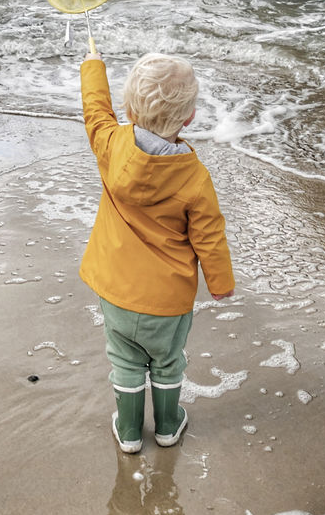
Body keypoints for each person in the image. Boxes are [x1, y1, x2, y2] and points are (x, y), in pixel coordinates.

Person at [78, 50, 235, 454]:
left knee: (126, 360)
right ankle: (167, 426)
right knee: (167, 360)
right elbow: (209, 235)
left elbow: (96, 112)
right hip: (168, 300)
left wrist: (93, 66)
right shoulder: (194, 177)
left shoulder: (112, 145)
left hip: (115, 290)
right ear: (190, 117)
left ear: (129, 108)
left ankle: (129, 433)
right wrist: (219, 282)